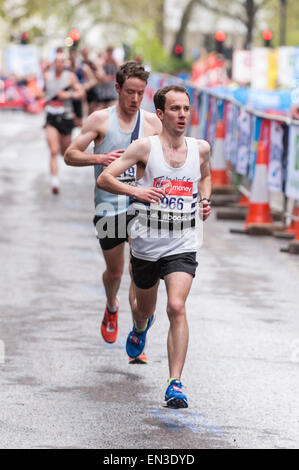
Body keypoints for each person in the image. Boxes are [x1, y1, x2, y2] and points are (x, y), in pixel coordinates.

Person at [97, 85, 212, 408]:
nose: (182, 115)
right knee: (144, 309)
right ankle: (139, 327)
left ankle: (175, 383)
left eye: (186, 109)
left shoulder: (200, 148)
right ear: (160, 114)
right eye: (175, 109)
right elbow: (105, 178)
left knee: (176, 306)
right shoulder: (143, 148)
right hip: (147, 244)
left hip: (183, 240)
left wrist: (205, 199)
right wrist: (137, 193)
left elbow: (205, 176)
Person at [64, 61, 162, 363]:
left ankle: (138, 329)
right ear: (117, 89)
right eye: (129, 92)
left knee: (139, 271)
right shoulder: (100, 120)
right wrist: (100, 157)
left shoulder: (152, 124)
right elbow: (70, 154)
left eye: (140, 93)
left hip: (141, 205)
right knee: (116, 272)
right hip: (108, 205)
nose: (135, 99)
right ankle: (111, 304)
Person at [44, 52, 84, 194]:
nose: (59, 64)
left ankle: (61, 155)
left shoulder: (70, 77)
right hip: (51, 117)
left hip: (66, 117)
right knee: (53, 151)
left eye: (62, 61)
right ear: (53, 63)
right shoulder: (47, 76)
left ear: (64, 63)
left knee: (63, 152)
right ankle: (55, 181)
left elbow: (81, 92)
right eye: (56, 61)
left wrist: (69, 95)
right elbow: (42, 92)